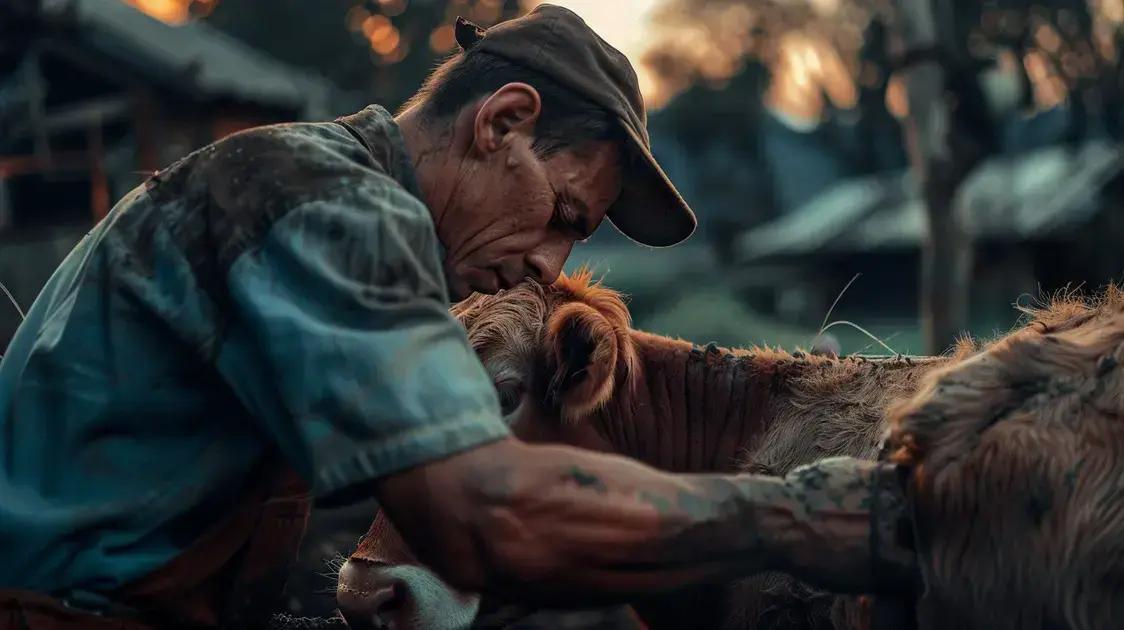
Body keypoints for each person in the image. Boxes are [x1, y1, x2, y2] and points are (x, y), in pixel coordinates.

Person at [0, 6, 916, 629]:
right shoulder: (332, 206)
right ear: (503, 122)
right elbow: (476, 515)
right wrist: (798, 520)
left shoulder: (294, 184)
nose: (547, 267)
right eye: (562, 215)